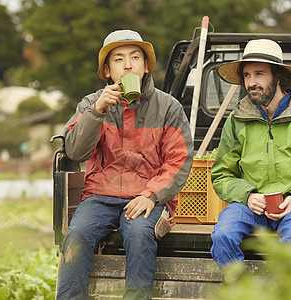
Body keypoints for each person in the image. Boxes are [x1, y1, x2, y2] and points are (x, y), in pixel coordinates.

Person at [56, 29, 193, 299]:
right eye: (118, 59)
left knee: (140, 236)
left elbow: (179, 158)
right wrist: (96, 112)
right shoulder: (90, 104)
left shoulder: (168, 107)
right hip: (100, 195)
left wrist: (151, 196)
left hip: (145, 196)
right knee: (77, 236)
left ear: (145, 66)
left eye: (135, 57)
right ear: (107, 71)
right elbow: (73, 151)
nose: (128, 64)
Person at [210, 39, 291, 267]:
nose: (251, 83)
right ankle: (238, 290)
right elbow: (221, 175)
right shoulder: (237, 119)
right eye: (247, 75)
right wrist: (248, 196)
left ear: (278, 77)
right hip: (249, 206)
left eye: (259, 74)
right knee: (222, 236)